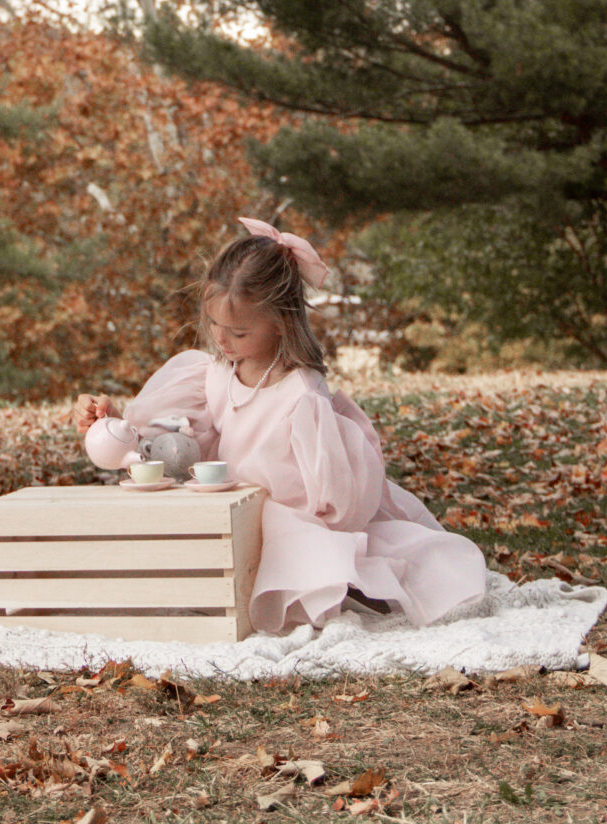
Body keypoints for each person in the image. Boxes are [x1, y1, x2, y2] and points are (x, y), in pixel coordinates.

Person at [72, 219, 488, 632]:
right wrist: (115, 427)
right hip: (232, 504)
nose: (221, 339)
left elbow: (333, 497)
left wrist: (314, 529)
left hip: (289, 513)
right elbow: (178, 438)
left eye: (238, 331)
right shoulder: (216, 373)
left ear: (279, 321)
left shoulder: (300, 394)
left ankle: (342, 580)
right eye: (214, 324)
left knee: (308, 555)